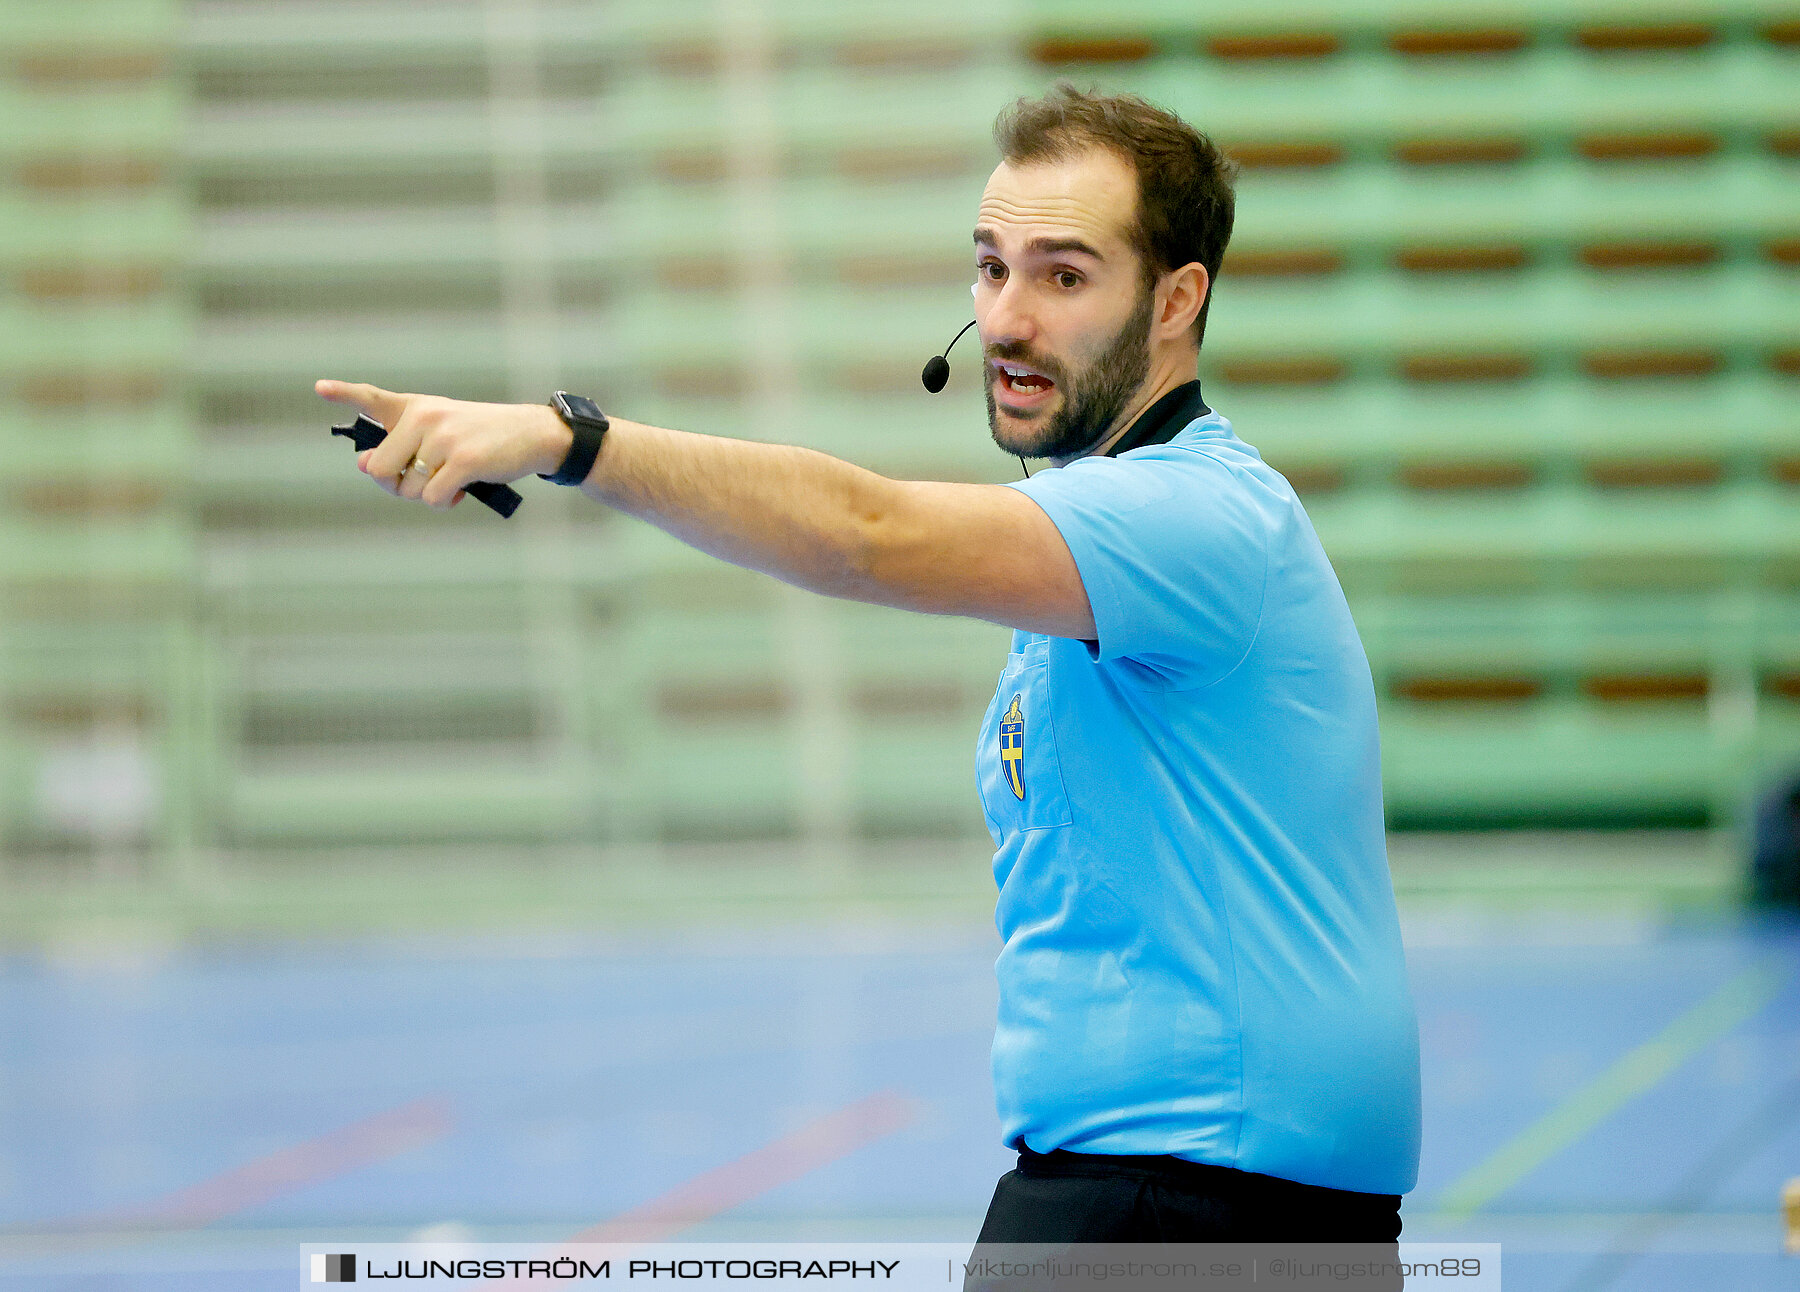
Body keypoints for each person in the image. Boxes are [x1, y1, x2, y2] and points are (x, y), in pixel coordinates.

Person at [316, 84, 1420, 1243]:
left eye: (1064, 275)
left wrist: (570, 439)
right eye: (990, 267)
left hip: (1194, 1205)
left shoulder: (1192, 515)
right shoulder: (1105, 543)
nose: (1004, 321)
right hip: (1163, 1192)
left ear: (1176, 299)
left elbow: (865, 533)